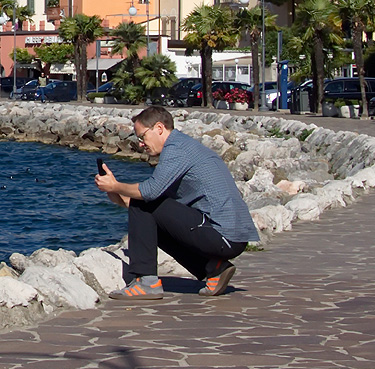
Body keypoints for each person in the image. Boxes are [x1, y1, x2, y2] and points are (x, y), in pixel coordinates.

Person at [93, 105, 260, 301]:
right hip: (228, 238)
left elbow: (149, 193)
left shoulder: (177, 149)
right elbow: (151, 211)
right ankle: (214, 268)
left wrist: (117, 185)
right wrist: (115, 193)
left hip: (223, 236)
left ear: (159, 128)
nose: (141, 144)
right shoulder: (182, 146)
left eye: (142, 137)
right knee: (148, 210)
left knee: (145, 201)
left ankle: (146, 283)